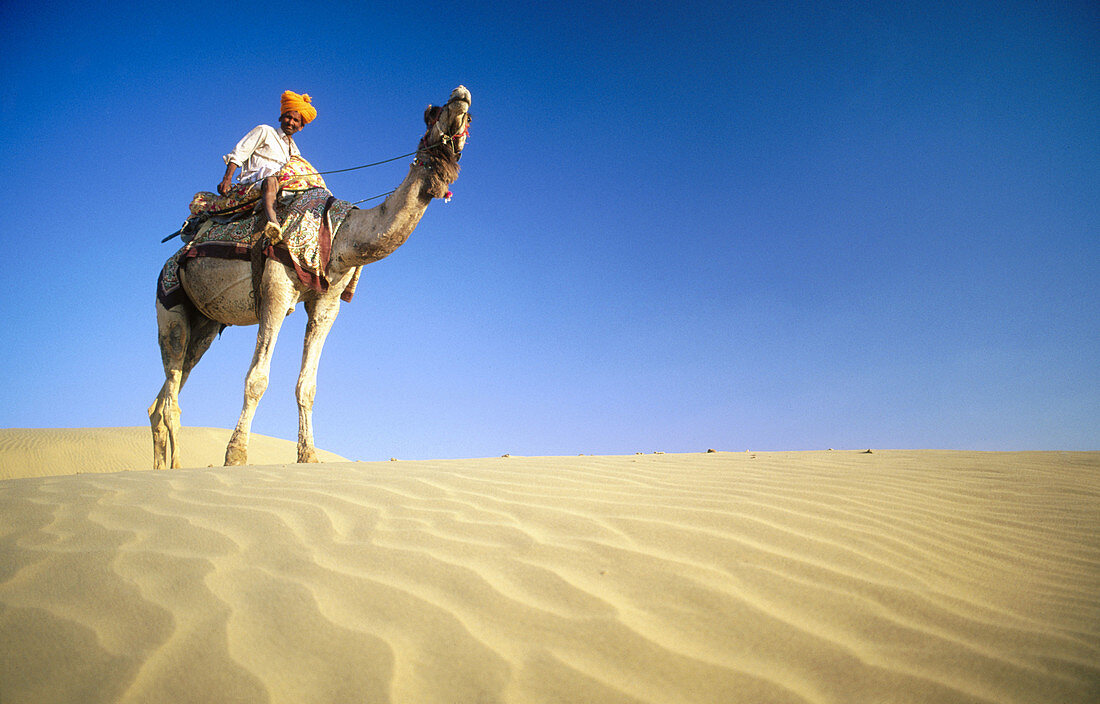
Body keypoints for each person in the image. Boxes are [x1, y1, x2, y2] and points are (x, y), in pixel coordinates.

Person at [217, 90, 319, 240]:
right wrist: (227, 179)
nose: (291, 122)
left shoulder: (295, 151)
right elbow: (239, 153)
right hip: (255, 180)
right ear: (281, 117)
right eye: (288, 117)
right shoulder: (265, 131)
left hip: (282, 183)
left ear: (301, 126)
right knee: (271, 179)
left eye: (296, 120)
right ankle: (273, 224)